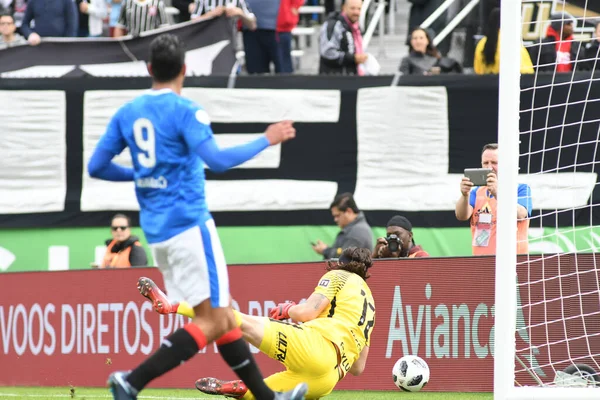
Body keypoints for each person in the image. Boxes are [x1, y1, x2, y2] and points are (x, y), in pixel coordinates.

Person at [87, 33, 306, 400]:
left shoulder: (128, 112)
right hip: (190, 225)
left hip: (157, 232)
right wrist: (266, 138)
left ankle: (268, 399)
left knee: (221, 316)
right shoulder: (186, 111)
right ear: (184, 71)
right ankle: (132, 382)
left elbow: (97, 166)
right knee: (214, 319)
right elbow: (217, 160)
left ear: (149, 69)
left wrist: (140, 174)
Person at [137, 247, 375, 400]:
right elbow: (358, 368)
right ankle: (242, 389)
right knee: (262, 394)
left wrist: (287, 309)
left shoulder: (339, 276)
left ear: (342, 263)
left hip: (316, 346)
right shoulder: (372, 306)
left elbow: (306, 313)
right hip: (328, 380)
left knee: (241, 322)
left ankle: (173, 305)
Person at [455, 143, 532, 256]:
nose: (489, 167)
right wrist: (464, 195)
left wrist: (498, 193)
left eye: (494, 163)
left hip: (513, 261)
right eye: (485, 163)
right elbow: (461, 216)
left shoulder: (520, 188)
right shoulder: (476, 191)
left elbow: (521, 214)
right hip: (482, 261)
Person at [311, 192, 373, 260]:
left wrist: (326, 250)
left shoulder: (358, 231)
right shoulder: (355, 229)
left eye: (337, 215)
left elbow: (345, 258)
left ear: (349, 211)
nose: (335, 219)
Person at [473, 7, 534, 75]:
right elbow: (527, 71)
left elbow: (477, 70)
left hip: (487, 83)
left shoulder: (481, 43)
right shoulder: (511, 42)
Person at [318, 0, 367, 75]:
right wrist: (353, 58)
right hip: (334, 80)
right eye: (352, 8)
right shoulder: (333, 25)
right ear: (344, 7)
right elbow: (327, 53)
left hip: (351, 78)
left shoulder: (355, 27)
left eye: (359, 9)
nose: (356, 12)